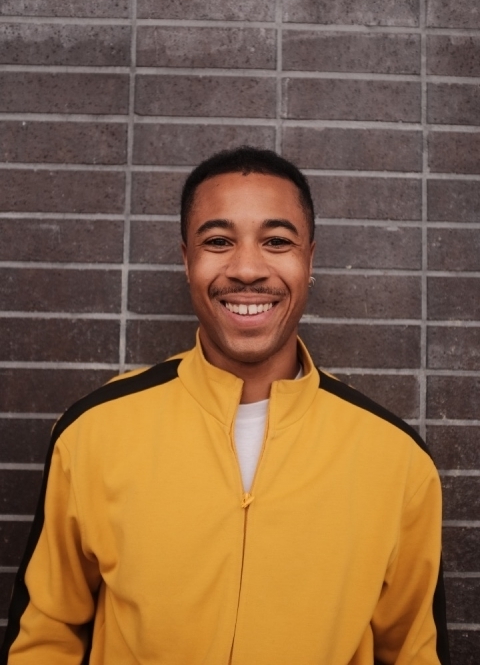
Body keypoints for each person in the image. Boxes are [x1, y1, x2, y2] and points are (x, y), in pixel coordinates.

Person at [1, 147, 450, 664]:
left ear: (310, 260)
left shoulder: (396, 459)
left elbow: (414, 652)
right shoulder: (94, 431)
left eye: (277, 241)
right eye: (218, 241)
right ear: (186, 260)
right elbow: (45, 635)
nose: (247, 269)